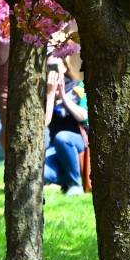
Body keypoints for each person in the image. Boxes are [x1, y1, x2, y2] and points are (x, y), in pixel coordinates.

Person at [43, 59, 90, 195]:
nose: (52, 71)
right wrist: (51, 95)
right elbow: (44, 123)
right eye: (48, 68)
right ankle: (66, 180)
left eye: (55, 67)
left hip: (78, 145)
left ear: (64, 67)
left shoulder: (78, 87)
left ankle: (75, 185)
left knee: (62, 138)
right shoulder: (46, 93)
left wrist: (64, 97)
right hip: (55, 150)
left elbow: (84, 116)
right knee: (40, 171)